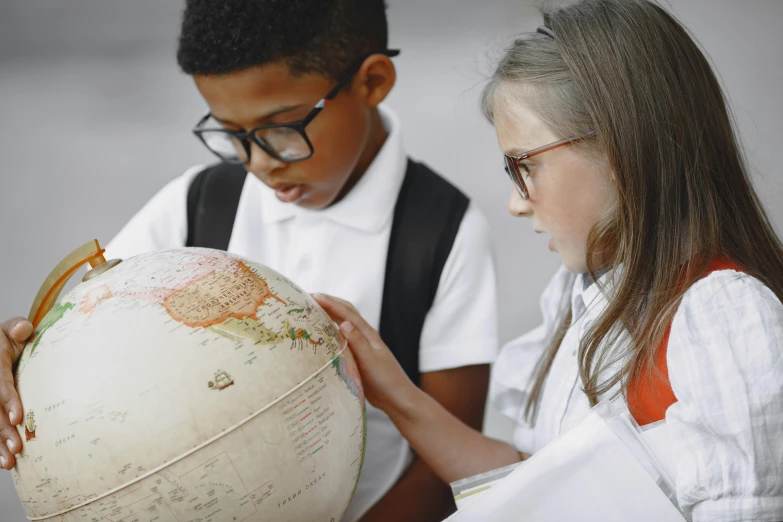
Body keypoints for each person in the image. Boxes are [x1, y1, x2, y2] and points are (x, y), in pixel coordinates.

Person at [0, 2, 499, 521]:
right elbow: (79, 326)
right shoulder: (198, 202)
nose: (257, 163)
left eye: (281, 130)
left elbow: (446, 469)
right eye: (231, 134)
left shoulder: (442, 234)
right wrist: (16, 354)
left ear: (372, 81)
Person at [308, 1, 783, 520]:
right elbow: (535, 487)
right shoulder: (577, 294)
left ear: (624, 147)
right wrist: (395, 393)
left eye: (525, 166)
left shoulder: (719, 314)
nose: (516, 202)